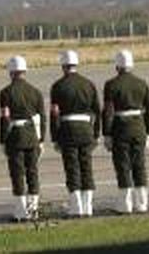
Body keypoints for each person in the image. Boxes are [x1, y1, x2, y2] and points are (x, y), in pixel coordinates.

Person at [49, 50, 100, 217]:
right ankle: (88, 207)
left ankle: (76, 207)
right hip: (86, 130)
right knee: (87, 167)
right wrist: (96, 133)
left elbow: (54, 114)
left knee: (72, 168)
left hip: (68, 130)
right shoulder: (89, 84)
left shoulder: (57, 86)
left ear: (63, 66)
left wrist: (55, 136)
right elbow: (97, 111)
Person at [103, 49, 149, 213]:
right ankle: (142, 203)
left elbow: (108, 112)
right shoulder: (141, 83)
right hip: (139, 127)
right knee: (139, 165)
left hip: (120, 129)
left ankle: (125, 204)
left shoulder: (111, 85)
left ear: (117, 66)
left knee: (123, 166)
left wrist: (107, 133)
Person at [0, 55, 44, 221]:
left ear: (11, 72)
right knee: (32, 173)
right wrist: (41, 139)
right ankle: (34, 210)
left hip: (15, 137)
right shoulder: (36, 92)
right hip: (32, 136)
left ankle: (20, 212)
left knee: (17, 174)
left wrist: (2, 140)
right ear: (25, 71)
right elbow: (42, 117)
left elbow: (5, 118)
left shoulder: (5, 93)